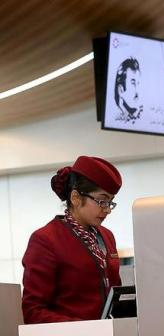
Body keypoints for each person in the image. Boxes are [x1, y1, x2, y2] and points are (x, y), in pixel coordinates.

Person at [22, 156, 123, 324]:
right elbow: (33, 311)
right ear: (76, 198)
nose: (107, 210)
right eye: (102, 201)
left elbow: (115, 294)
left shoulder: (107, 236)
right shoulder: (45, 240)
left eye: (110, 202)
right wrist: (83, 329)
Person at [114, 57, 143, 123]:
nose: (137, 92)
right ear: (120, 90)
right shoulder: (119, 119)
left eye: (138, 83)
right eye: (133, 83)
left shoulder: (138, 114)